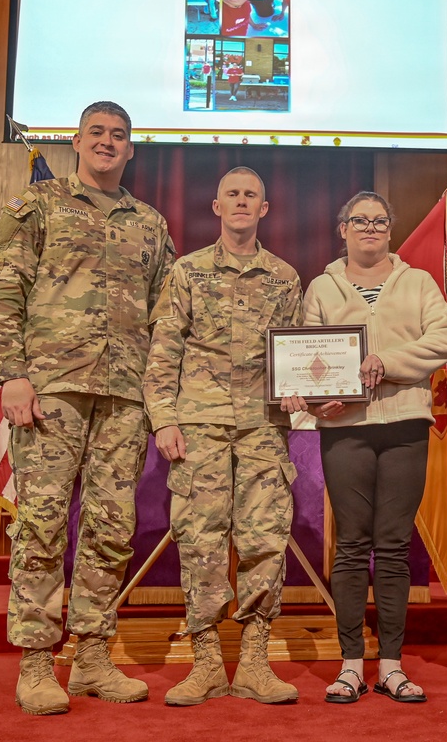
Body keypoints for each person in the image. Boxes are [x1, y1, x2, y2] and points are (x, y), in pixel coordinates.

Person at [0, 101, 176, 716]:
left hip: (123, 395)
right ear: (77, 141)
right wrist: (11, 374)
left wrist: (159, 391)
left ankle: (91, 655)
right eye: (97, 133)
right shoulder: (38, 206)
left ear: (132, 149)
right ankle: (37, 659)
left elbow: (166, 314)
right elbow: (1, 288)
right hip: (51, 389)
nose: (108, 143)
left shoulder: (150, 223)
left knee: (111, 527)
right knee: (41, 523)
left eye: (119, 135)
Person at [282, 192, 447, 705]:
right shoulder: (321, 286)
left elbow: (445, 338)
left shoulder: (418, 281)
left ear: (389, 229)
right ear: (343, 229)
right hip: (347, 429)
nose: (370, 229)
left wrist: (388, 360)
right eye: (359, 221)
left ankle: (393, 667)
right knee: (354, 545)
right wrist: (315, 403)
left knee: (395, 545)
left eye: (379, 221)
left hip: (405, 424)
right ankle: (351, 665)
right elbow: (304, 354)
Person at [145, 166, 303, 707]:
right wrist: (163, 417)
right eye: (231, 194)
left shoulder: (284, 277)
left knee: (264, 542)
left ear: (264, 209)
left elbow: (297, 353)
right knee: (201, 541)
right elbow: (165, 348)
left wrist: (300, 389)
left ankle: (255, 663)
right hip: (201, 426)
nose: (240, 202)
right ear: (216, 207)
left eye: (250, 195)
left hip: (262, 426)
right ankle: (208, 663)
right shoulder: (187, 272)